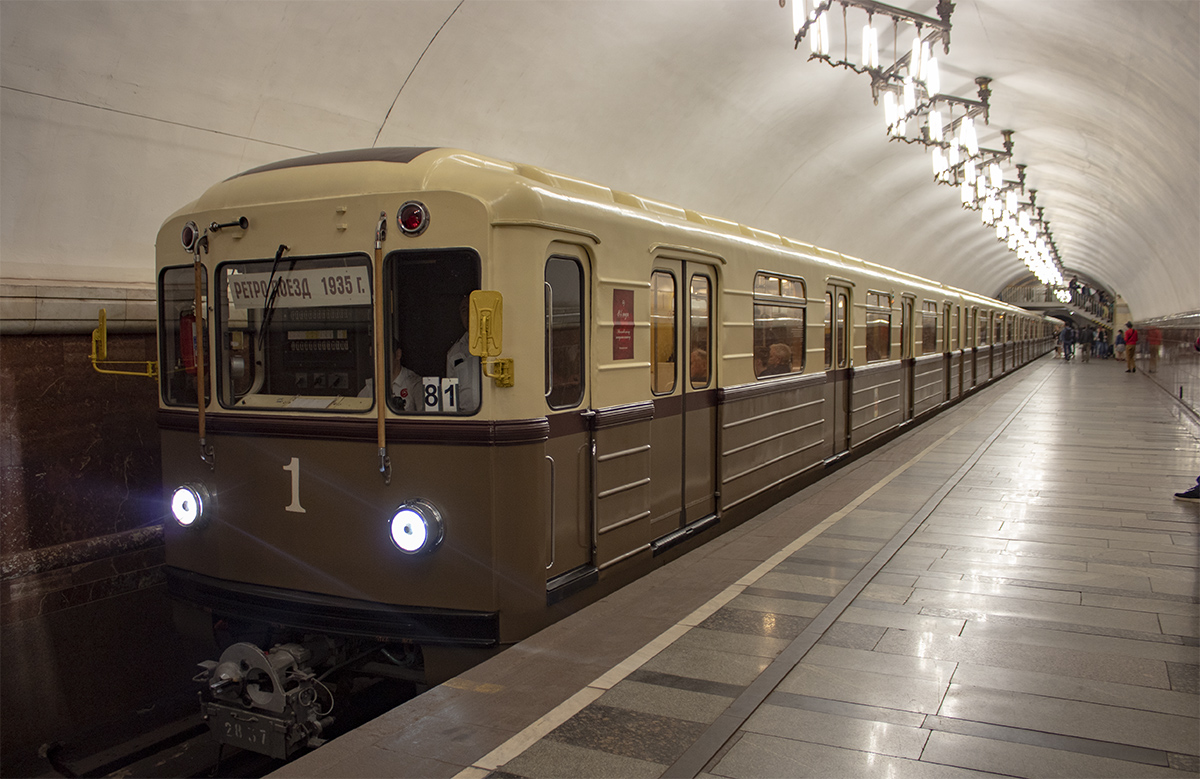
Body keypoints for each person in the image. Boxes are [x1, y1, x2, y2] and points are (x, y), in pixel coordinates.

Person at [445, 295, 481, 413]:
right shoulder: (455, 353)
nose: (469, 314)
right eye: (464, 310)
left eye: (472, 308)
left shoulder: (495, 345)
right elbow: (450, 395)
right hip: (466, 419)